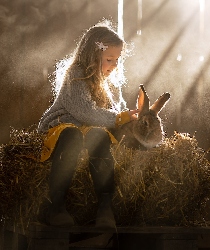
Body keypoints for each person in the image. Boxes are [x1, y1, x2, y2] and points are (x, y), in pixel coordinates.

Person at [38, 20, 138, 228]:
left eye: (117, 59)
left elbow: (115, 110)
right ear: (93, 55)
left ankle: (104, 206)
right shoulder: (76, 74)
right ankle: (55, 205)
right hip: (63, 124)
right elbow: (85, 111)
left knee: (98, 136)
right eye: (109, 59)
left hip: (89, 127)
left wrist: (128, 119)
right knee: (72, 136)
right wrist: (119, 119)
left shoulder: (110, 81)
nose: (114, 65)